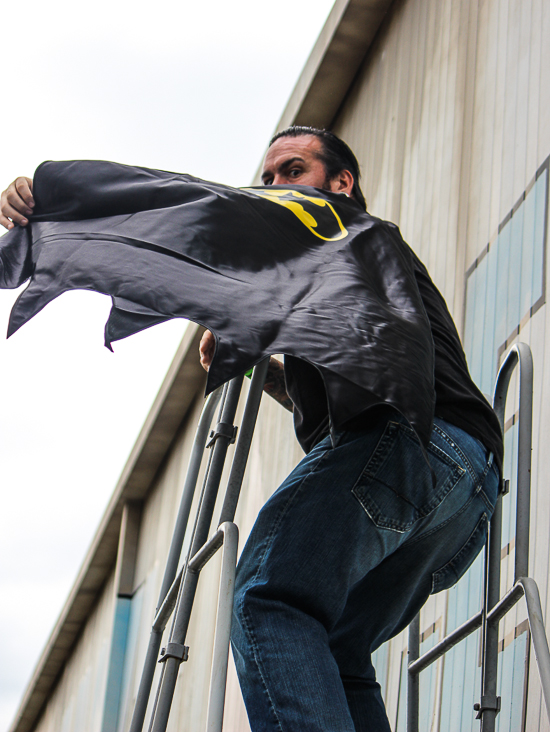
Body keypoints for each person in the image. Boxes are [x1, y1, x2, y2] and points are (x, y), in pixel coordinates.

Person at [1, 127, 502, 732]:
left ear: (341, 183)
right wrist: (268, 366)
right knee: (339, 648)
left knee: (271, 599)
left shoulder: (347, 232)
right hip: (466, 482)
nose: (276, 188)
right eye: (269, 178)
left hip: (410, 448)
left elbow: (201, 211)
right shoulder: (344, 276)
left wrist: (61, 199)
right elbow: (364, 363)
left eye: (294, 171)